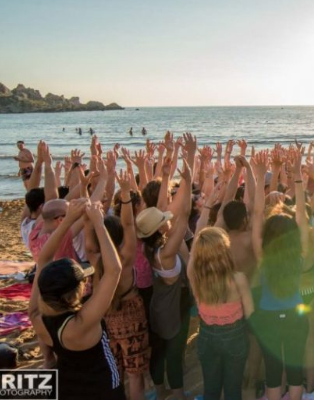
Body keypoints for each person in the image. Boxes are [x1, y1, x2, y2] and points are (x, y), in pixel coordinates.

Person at [28, 198, 125, 400]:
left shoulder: (37, 316)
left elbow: (43, 259)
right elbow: (113, 270)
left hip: (67, 387)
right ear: (77, 290)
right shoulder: (81, 324)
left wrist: (68, 220)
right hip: (102, 387)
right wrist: (98, 223)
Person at [136, 134, 196, 400]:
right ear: (159, 227)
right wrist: (188, 176)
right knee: (173, 352)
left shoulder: (152, 245)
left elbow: (165, 210)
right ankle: (178, 395)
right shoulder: (167, 251)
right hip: (174, 306)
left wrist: (166, 173)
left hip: (159, 303)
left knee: (160, 349)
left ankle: (160, 392)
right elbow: (182, 215)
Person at [249, 150, 310, 400]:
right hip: (296, 316)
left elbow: (255, 216)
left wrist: (260, 175)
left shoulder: (263, 256)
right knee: (295, 372)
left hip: (268, 317)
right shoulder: (300, 256)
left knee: (273, 374)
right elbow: (302, 219)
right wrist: (296, 177)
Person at [85, 171, 149, 400]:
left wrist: (92, 189)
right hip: (132, 314)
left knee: (116, 371)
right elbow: (129, 222)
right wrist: (124, 192)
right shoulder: (126, 257)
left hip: (107, 317)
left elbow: (88, 222)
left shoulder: (94, 257)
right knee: (136, 374)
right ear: (120, 235)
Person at [188, 227, 254, 400]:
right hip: (235, 335)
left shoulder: (194, 275)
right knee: (233, 391)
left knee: (211, 390)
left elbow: (192, 257)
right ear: (225, 249)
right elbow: (250, 313)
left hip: (206, 335)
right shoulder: (238, 279)